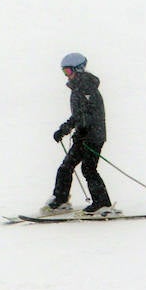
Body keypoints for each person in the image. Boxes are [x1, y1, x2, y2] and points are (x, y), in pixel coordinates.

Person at [45, 53, 116, 216]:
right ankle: (60, 200)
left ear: (78, 69)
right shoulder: (77, 88)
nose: (66, 75)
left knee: (88, 169)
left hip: (93, 137)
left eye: (68, 72)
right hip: (82, 135)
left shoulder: (87, 88)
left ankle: (102, 204)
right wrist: (64, 129)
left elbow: (90, 115)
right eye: (64, 72)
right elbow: (78, 115)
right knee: (65, 167)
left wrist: (82, 129)